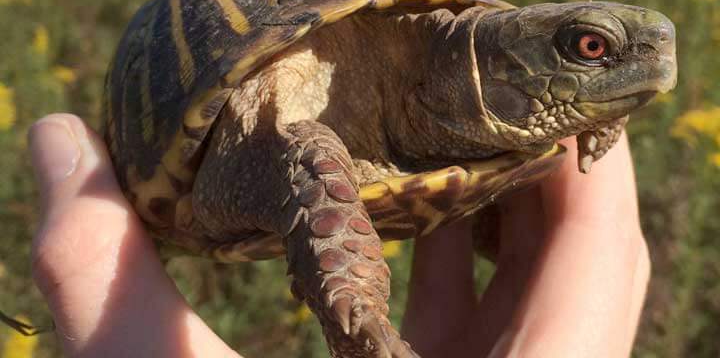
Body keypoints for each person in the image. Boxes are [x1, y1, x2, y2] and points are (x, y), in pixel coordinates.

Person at [28, 113, 649, 357]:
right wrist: (356, 310)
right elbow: (304, 144)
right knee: (315, 153)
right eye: (590, 47)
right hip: (232, 162)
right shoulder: (307, 131)